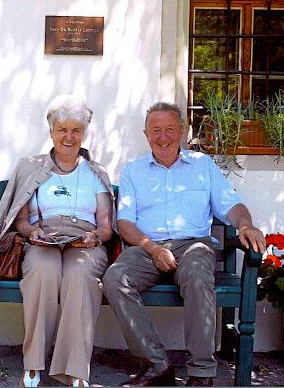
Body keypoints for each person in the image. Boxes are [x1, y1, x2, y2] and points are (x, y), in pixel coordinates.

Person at [102, 102, 266, 387]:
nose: (163, 137)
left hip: (194, 246)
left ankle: (202, 372)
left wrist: (245, 224)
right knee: (115, 277)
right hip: (147, 247)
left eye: (169, 129)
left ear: (183, 131)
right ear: (145, 134)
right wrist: (152, 248)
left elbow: (232, 205)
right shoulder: (134, 171)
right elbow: (124, 223)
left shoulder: (202, 166)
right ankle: (156, 365)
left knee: (199, 275)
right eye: (156, 130)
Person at [0, 95, 114, 388]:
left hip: (85, 241)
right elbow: (18, 220)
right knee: (43, 272)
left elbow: (106, 227)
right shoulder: (31, 168)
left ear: (83, 134)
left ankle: (74, 368)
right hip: (42, 238)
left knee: (81, 275)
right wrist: (31, 233)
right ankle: (33, 363)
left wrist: (94, 237)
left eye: (76, 131)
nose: (69, 137)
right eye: (62, 130)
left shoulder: (96, 173)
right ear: (51, 132)